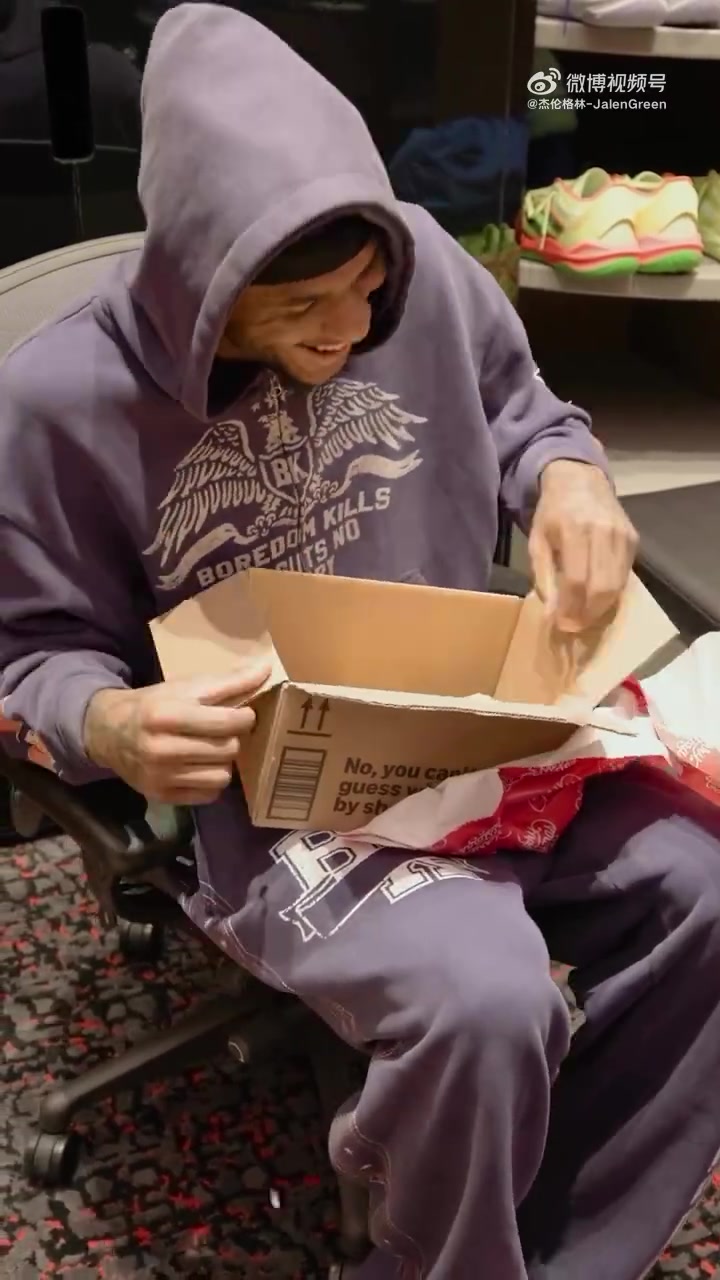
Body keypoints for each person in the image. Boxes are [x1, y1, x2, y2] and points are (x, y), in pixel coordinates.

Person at [1, 6, 720, 1278]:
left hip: (475, 726)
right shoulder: (59, 401)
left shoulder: (423, 262)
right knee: (486, 1000)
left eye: (364, 293)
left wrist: (568, 478)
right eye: (298, 308)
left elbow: (527, 412)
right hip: (280, 796)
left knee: (709, 886)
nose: (346, 328)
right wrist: (108, 722)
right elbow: (30, 653)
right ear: (197, 284)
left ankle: (560, 1238)